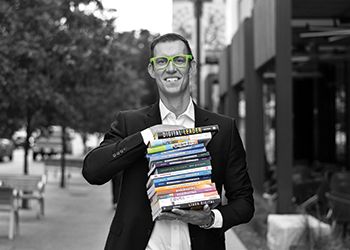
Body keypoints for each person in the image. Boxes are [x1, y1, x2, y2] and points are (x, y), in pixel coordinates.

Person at [82, 33, 254, 250]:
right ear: (152, 70)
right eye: (162, 61)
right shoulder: (130, 123)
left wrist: (210, 218)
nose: (170, 69)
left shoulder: (224, 129)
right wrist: (148, 135)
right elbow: (92, 171)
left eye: (179, 60)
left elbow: (245, 203)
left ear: (191, 67)